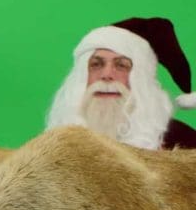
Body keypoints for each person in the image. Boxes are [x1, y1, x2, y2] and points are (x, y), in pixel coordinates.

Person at [47, 17, 196, 149]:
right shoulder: (52, 148)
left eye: (121, 65)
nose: (106, 75)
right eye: (96, 64)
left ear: (141, 82)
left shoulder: (184, 143)